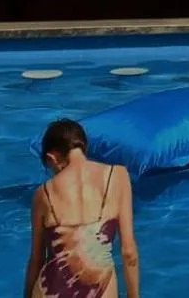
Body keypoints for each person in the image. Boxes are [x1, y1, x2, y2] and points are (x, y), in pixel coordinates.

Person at [24, 119, 140, 298]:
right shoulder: (118, 176)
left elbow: (37, 259)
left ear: (52, 157)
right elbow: (129, 252)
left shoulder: (43, 194)